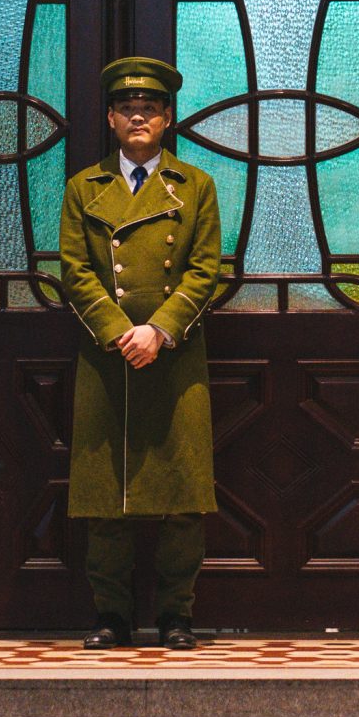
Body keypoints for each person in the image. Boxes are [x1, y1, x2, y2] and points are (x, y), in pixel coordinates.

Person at [59, 57, 223, 650]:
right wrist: (119, 330)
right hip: (107, 359)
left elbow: (205, 272)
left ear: (167, 118)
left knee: (183, 496)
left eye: (150, 108)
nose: (139, 116)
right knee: (107, 498)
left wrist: (158, 330)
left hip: (174, 357)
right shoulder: (85, 187)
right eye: (128, 107)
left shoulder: (195, 186)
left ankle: (177, 615)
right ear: (110, 117)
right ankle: (113, 617)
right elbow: (75, 273)